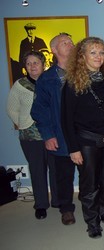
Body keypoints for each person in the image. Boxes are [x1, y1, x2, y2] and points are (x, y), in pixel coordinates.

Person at [62, 37, 104, 239]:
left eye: (101, 53)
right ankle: (92, 222)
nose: (98, 56)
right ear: (82, 56)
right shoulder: (72, 84)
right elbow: (66, 119)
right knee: (90, 185)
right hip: (86, 141)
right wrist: (73, 148)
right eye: (93, 52)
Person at [31, 33, 76, 226]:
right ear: (54, 50)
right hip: (61, 136)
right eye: (64, 43)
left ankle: (92, 206)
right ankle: (66, 209)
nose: (70, 44)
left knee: (90, 175)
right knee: (64, 176)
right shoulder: (47, 79)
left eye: (71, 42)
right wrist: (48, 135)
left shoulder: (84, 73)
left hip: (84, 136)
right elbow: (40, 110)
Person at [7, 51, 57, 220]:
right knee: (37, 171)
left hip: (52, 134)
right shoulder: (20, 85)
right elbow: (11, 109)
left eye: (36, 62)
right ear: (25, 67)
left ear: (44, 64)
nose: (32, 66)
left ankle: (58, 200)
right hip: (30, 136)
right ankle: (41, 205)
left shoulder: (51, 82)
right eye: (29, 63)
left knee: (56, 170)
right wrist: (24, 124)